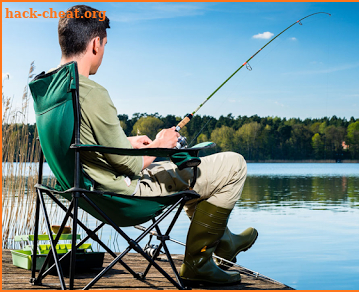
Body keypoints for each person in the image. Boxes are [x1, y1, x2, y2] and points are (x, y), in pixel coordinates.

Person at [55, 5, 258, 285]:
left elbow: (76, 142)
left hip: (83, 191)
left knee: (188, 170)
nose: (103, 51)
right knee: (233, 164)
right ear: (94, 44)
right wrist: (161, 143)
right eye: (104, 45)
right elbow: (129, 165)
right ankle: (201, 260)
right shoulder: (92, 92)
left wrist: (126, 142)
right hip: (122, 196)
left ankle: (224, 241)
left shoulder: (51, 87)